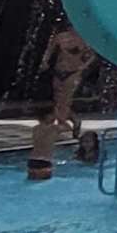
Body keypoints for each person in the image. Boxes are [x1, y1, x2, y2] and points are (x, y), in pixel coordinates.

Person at [31, 24, 98, 180]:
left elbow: (93, 55)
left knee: (65, 99)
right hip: (59, 71)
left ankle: (68, 122)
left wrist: (83, 67)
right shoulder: (60, 38)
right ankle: (73, 122)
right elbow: (49, 50)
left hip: (73, 73)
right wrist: (45, 61)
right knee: (59, 99)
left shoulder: (84, 40)